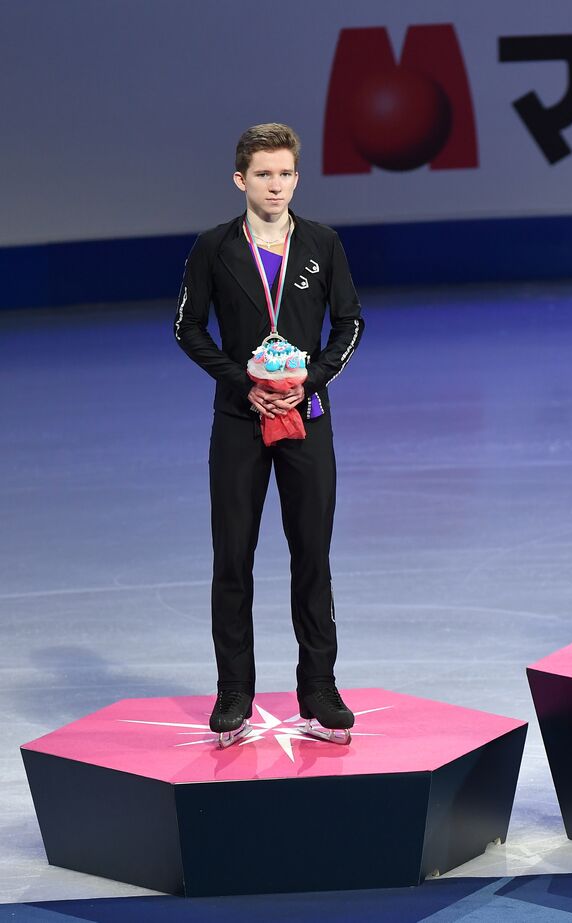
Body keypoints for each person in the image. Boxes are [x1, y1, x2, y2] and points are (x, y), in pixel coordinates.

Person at [175, 123, 364, 745]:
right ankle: (234, 692)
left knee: (312, 554)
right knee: (233, 557)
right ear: (241, 180)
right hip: (239, 420)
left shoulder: (323, 244)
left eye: (284, 173)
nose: (275, 185)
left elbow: (349, 323)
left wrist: (312, 378)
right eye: (263, 174)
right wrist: (239, 383)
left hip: (306, 417)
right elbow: (188, 329)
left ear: (296, 178)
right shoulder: (213, 248)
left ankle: (319, 688)